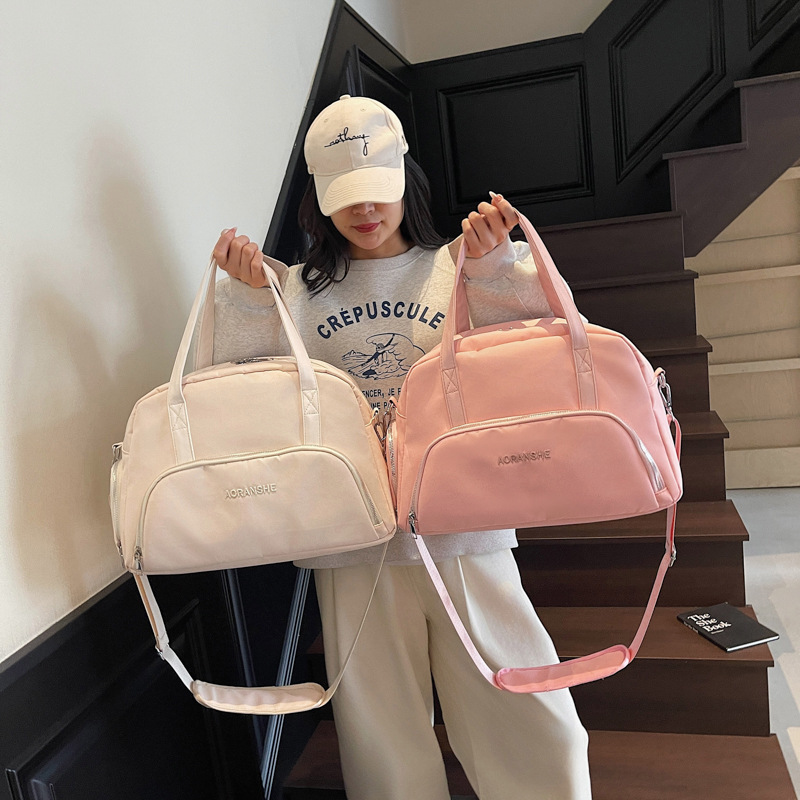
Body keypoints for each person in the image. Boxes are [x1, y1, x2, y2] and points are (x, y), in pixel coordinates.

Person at [212, 94, 592, 800]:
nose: (364, 209)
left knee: (536, 719)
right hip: (352, 540)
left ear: (405, 181)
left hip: (464, 527)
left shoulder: (457, 264)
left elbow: (548, 354)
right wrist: (247, 299)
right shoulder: (293, 291)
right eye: (345, 195)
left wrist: (494, 267)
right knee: (382, 741)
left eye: (377, 189)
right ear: (319, 199)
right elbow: (243, 394)